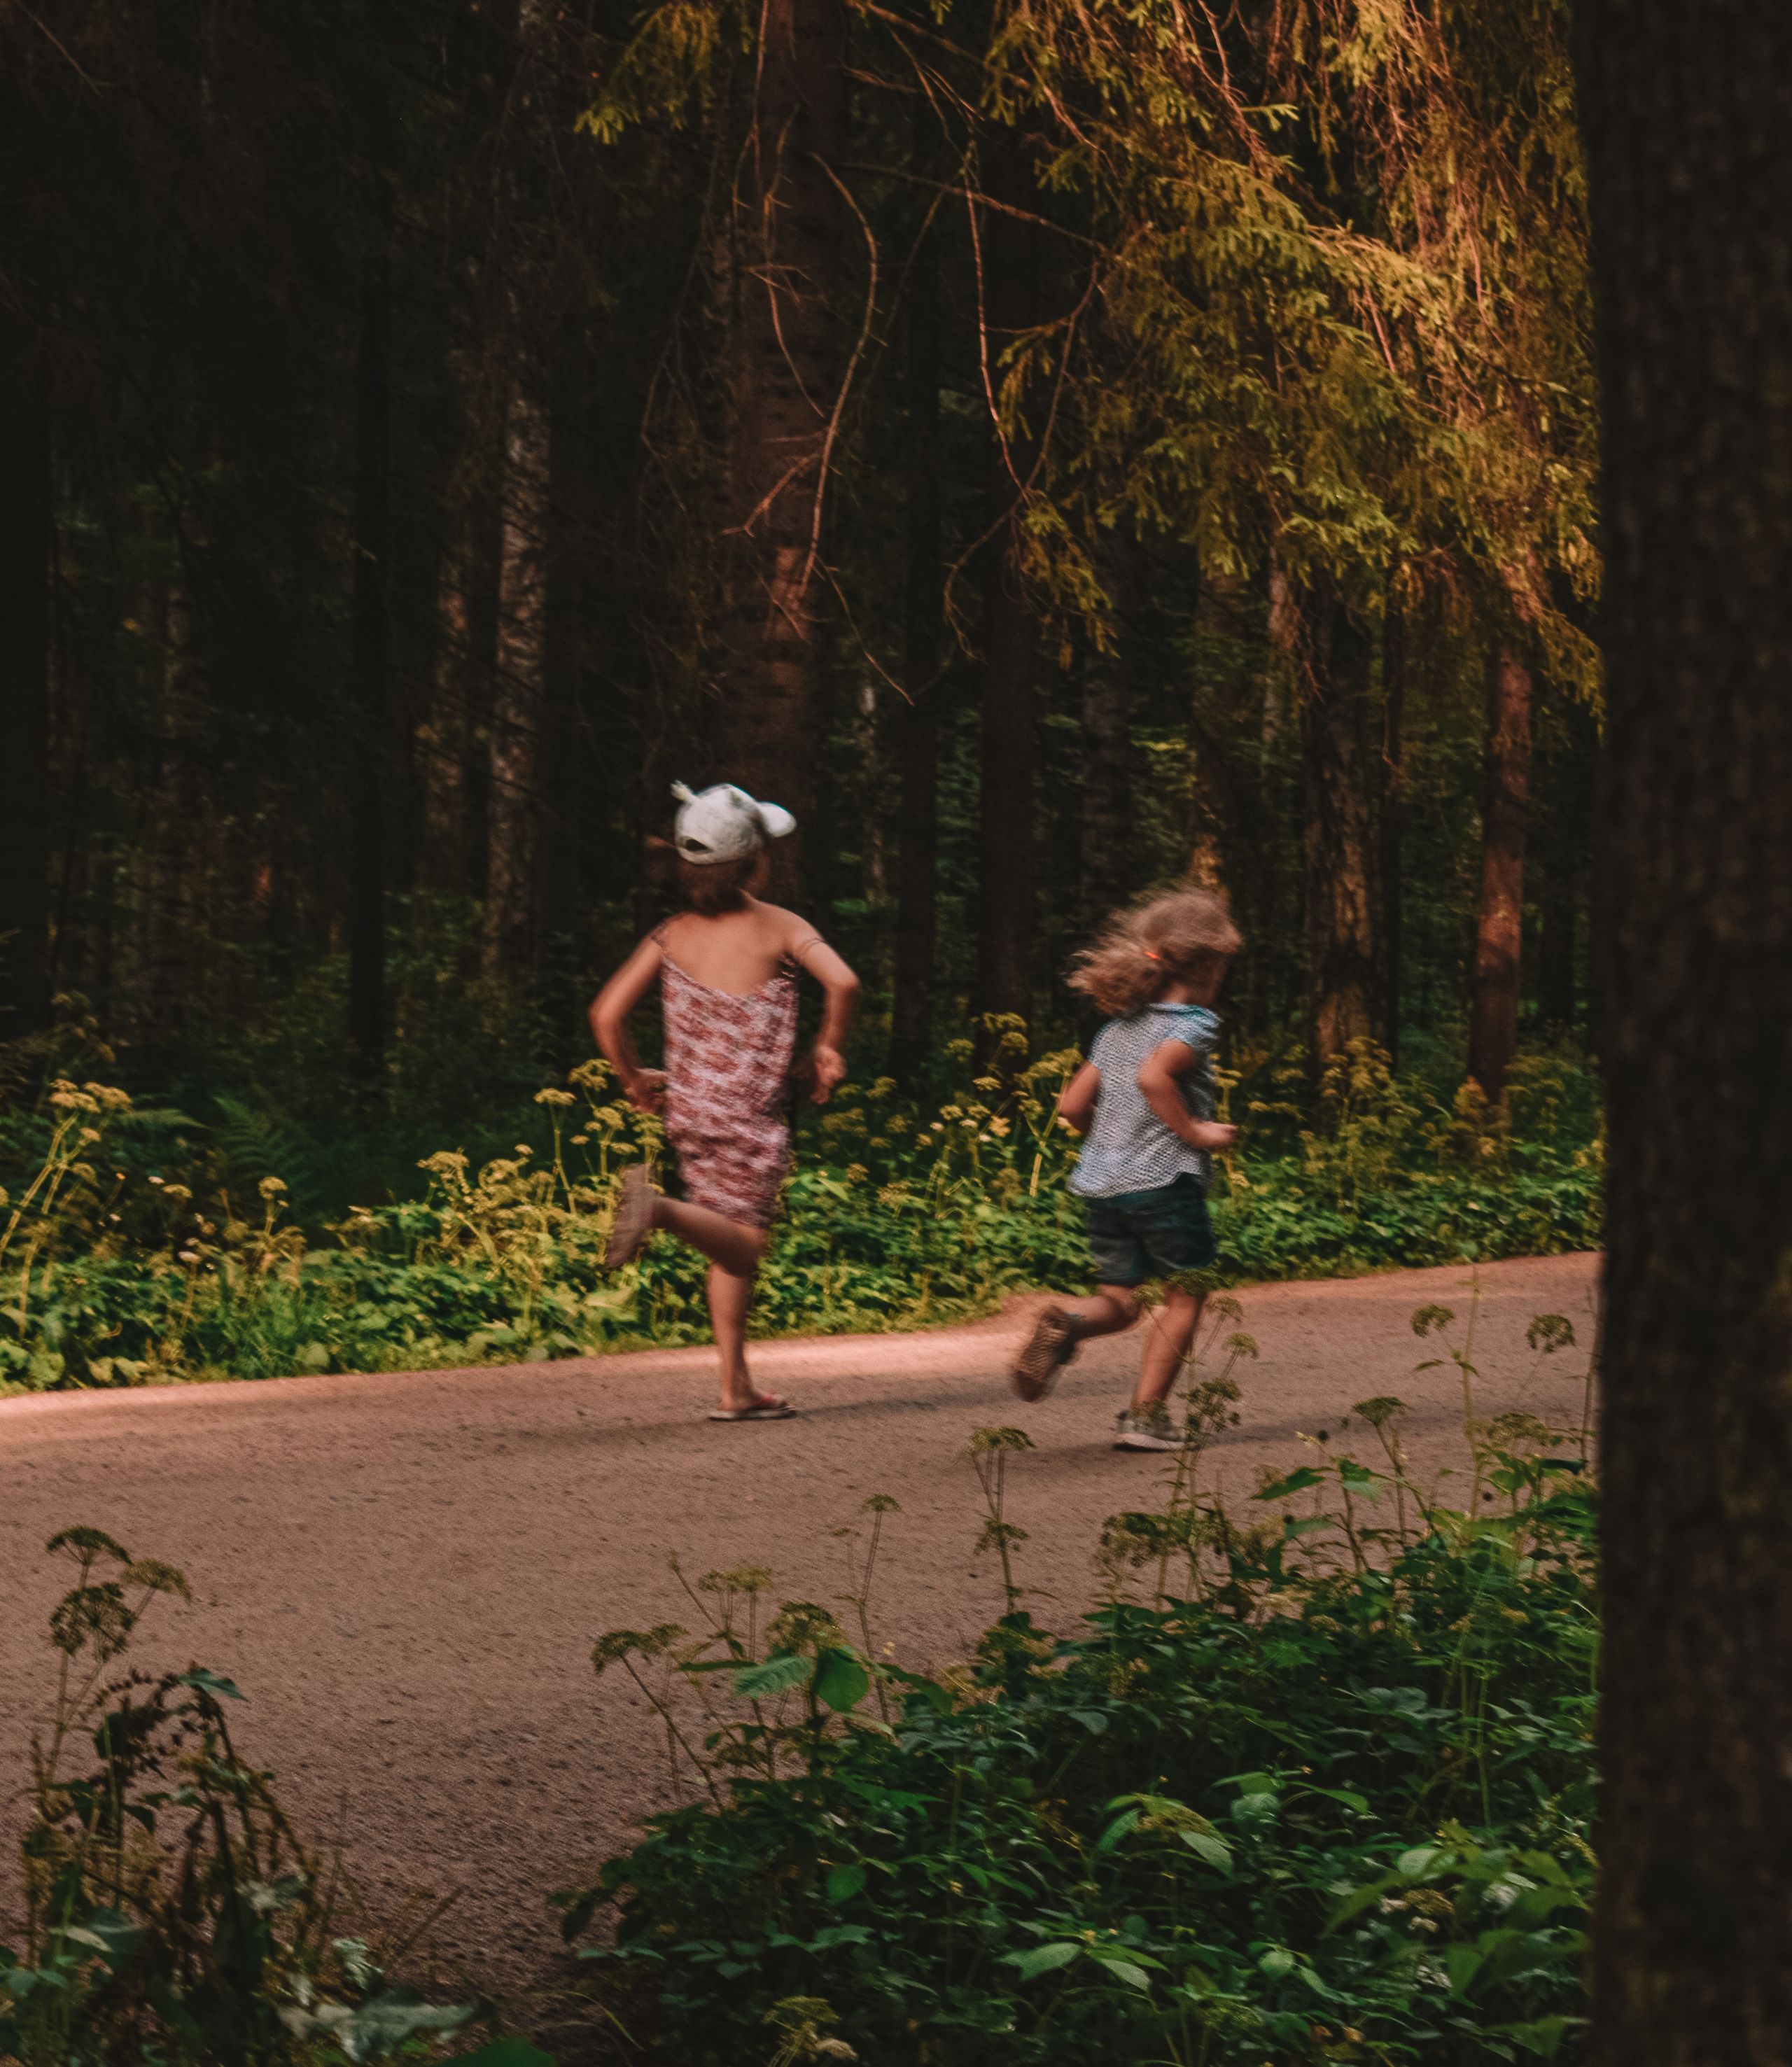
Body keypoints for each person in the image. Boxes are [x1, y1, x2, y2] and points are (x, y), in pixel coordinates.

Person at [589, 782, 860, 1422]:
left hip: (689, 1114)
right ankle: (658, 1209)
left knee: (726, 1239)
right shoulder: (782, 926)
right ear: (758, 863)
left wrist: (633, 1080)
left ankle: (735, 1387)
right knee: (745, 1246)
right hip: (749, 1115)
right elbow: (844, 980)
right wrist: (827, 1047)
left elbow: (605, 1014)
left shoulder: (670, 934)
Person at [1010, 888, 1242, 1450]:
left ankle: (1068, 1322)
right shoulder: (1193, 1024)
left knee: (1121, 1301)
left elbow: (1070, 1106)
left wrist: (1111, 1143)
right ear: (1210, 963)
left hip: (1103, 1185)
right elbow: (1154, 1078)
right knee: (1184, 1296)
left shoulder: (1116, 1030)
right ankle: (1146, 1417)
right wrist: (1196, 1132)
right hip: (1164, 1183)